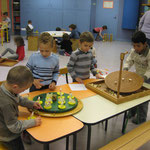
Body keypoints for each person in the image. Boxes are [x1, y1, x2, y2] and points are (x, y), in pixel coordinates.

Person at [0, 65, 42, 150]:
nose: (23, 92)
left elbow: (19, 99)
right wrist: (33, 122)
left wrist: (32, 103)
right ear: (15, 86)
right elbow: (14, 127)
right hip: (9, 137)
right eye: (23, 90)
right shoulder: (7, 103)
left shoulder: (7, 88)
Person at [123, 31, 150, 124]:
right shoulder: (133, 51)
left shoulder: (149, 53)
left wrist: (144, 77)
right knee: (133, 94)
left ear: (145, 44)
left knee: (143, 98)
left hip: (147, 78)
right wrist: (126, 68)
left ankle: (141, 117)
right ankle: (132, 112)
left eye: (138, 46)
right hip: (137, 75)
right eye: (134, 45)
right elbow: (129, 60)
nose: (136, 48)